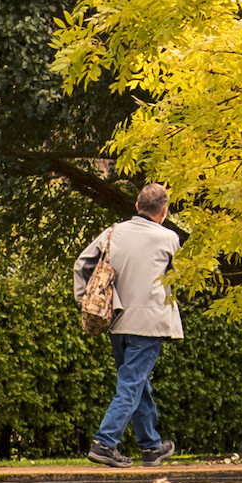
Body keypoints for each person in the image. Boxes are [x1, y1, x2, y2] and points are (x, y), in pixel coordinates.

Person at [79, 183, 184, 467]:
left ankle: (150, 446)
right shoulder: (169, 238)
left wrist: (86, 300)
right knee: (131, 385)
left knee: (138, 383)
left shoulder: (113, 232)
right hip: (149, 324)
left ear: (137, 206)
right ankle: (104, 442)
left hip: (117, 320)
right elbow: (180, 279)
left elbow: (83, 264)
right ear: (164, 212)